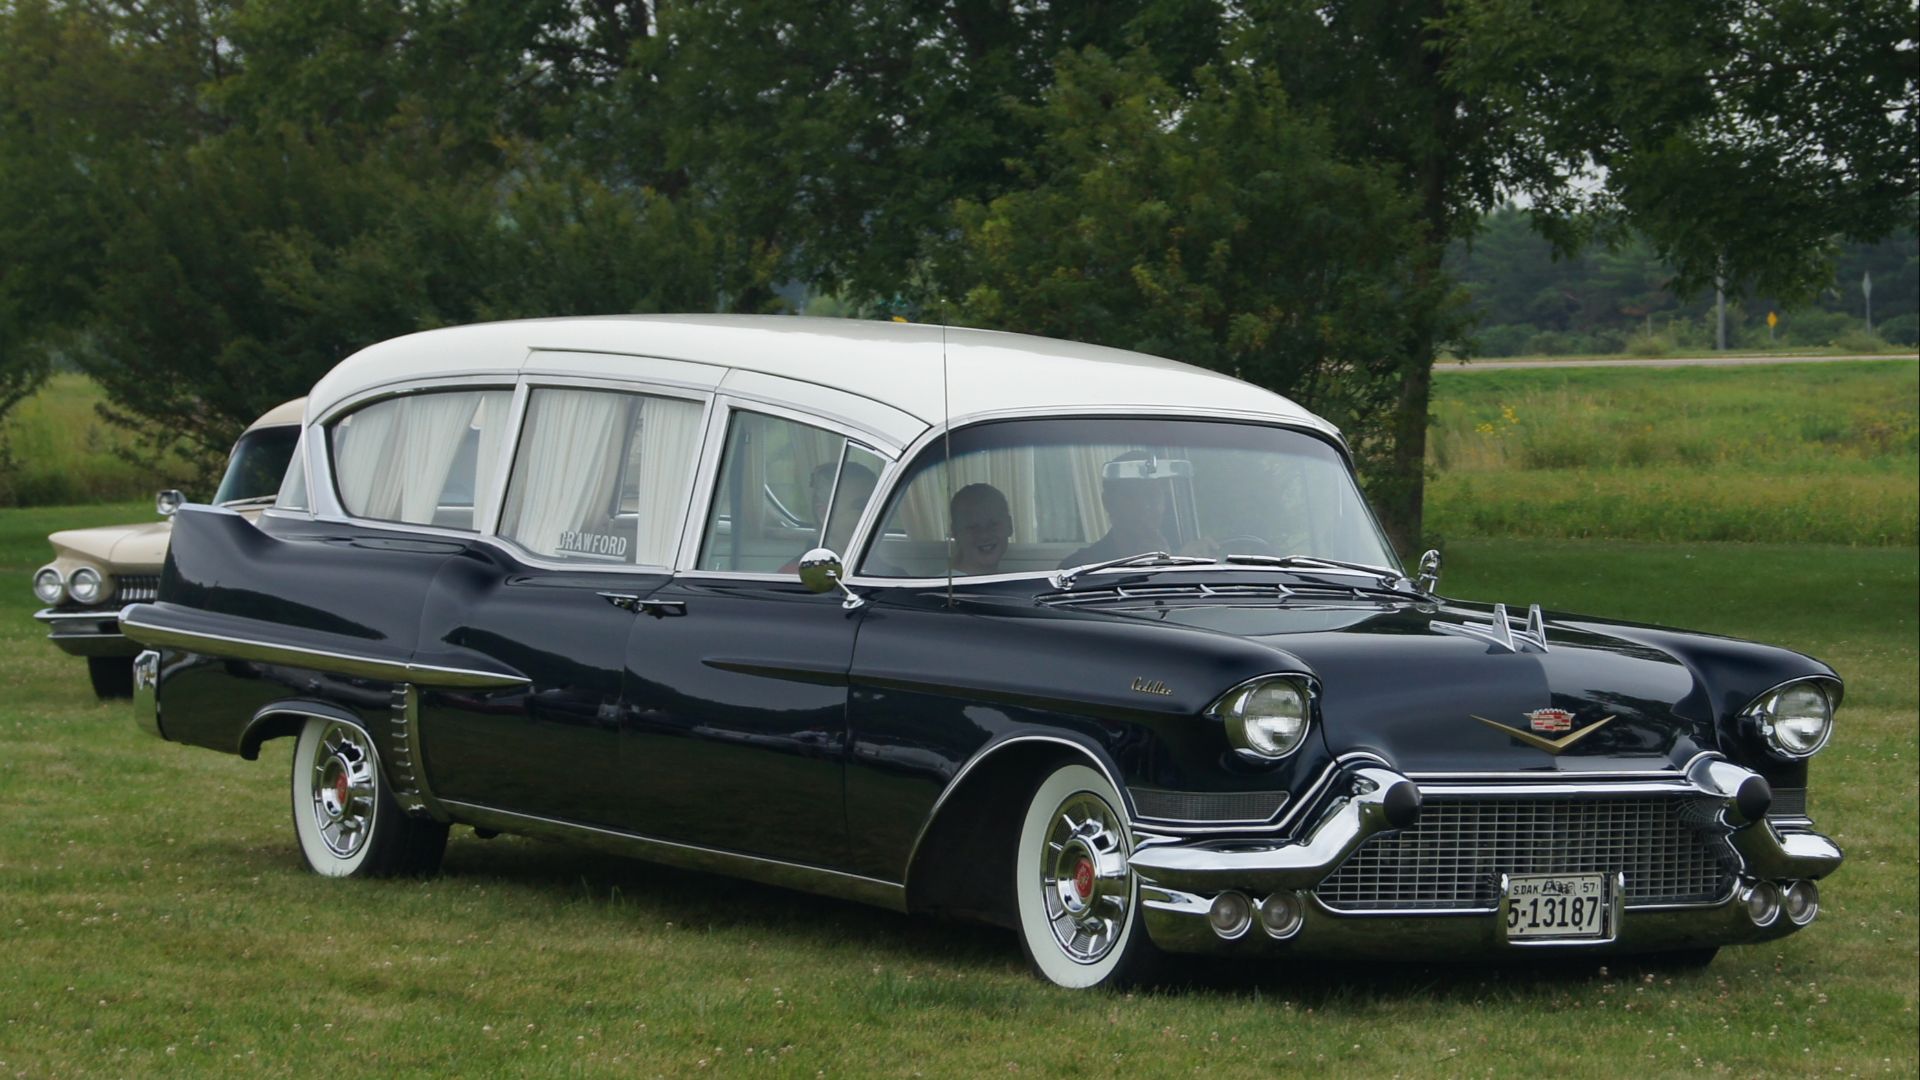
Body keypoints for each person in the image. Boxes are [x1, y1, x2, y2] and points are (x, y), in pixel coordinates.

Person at [1058, 450, 1173, 569]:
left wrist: (1166, 566)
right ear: (1108, 503)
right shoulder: (1079, 569)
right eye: (1131, 496)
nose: (1144, 506)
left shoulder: (1187, 561)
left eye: (1153, 495)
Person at [780, 460, 879, 574]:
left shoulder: (886, 571)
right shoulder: (796, 578)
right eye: (861, 507)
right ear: (824, 514)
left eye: (876, 507)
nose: (875, 516)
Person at [950, 482, 1013, 576]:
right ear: (955, 532)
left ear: (1009, 525)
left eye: (993, 524)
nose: (984, 535)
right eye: (972, 527)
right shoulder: (943, 589)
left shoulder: (1009, 584)